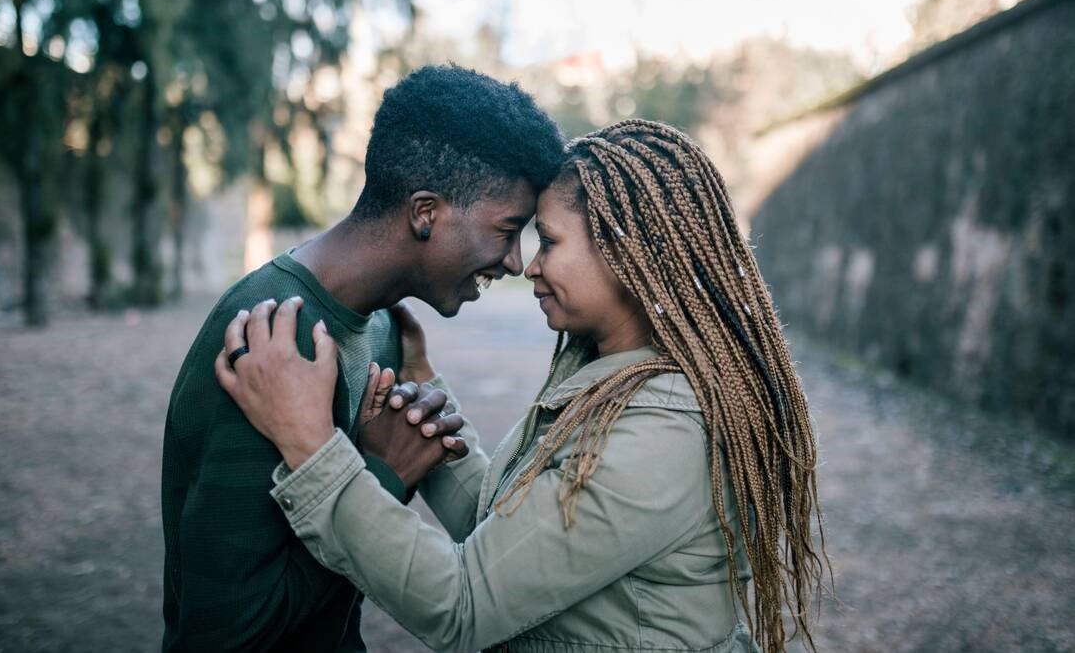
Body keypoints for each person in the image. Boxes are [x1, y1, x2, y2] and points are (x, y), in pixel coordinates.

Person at [217, 119, 828, 653]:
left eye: (550, 242)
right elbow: (506, 533)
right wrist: (424, 387)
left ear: (624, 253)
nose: (528, 266)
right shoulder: (612, 372)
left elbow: (465, 606)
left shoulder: (663, 427)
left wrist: (309, 447)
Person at [161, 65, 566, 651]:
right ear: (425, 212)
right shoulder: (271, 337)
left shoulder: (382, 328)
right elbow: (223, 633)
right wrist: (385, 476)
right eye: (507, 230)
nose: (513, 261)